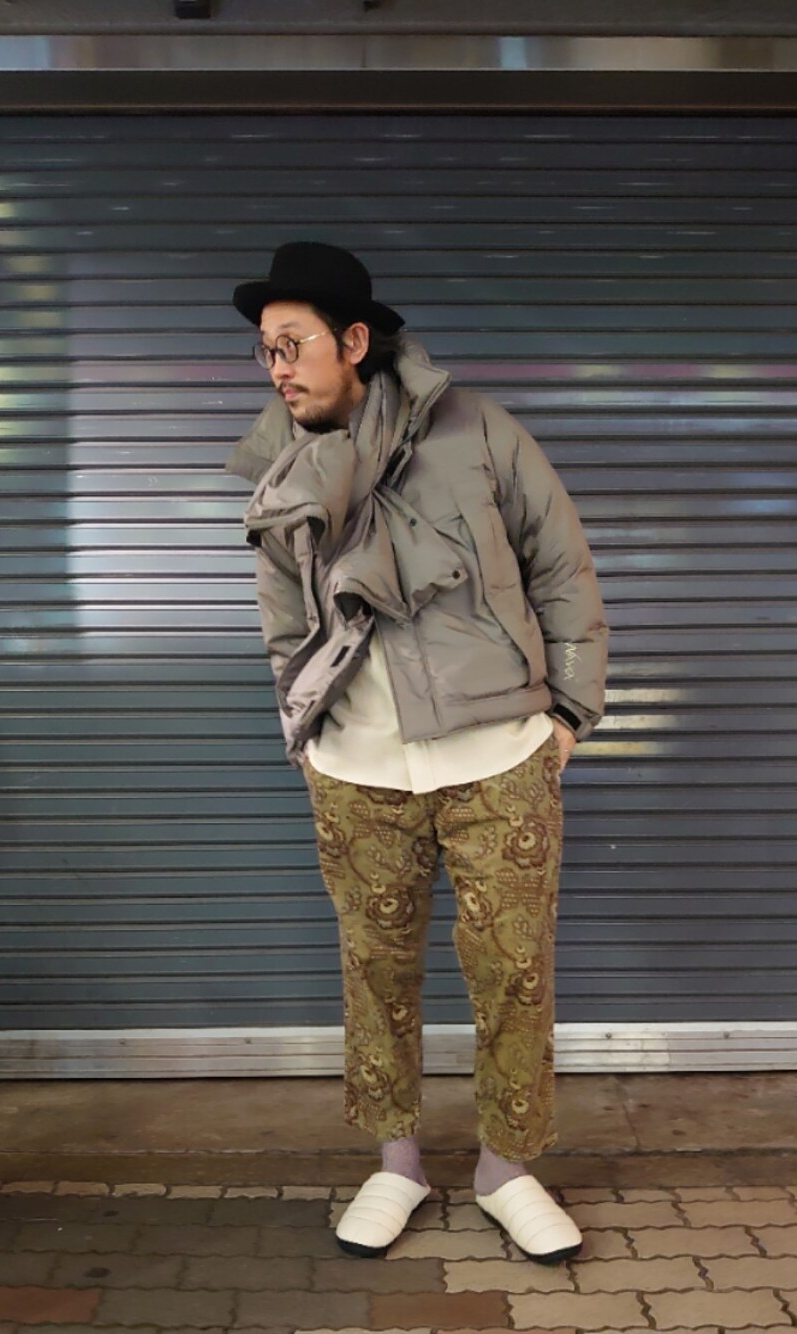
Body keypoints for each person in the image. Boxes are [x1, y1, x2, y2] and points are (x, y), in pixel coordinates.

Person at [227, 241, 608, 1264]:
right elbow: (281, 619)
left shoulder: (476, 429)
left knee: (514, 972)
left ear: (354, 340)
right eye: (266, 350)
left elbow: (561, 565)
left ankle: (505, 1170)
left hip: (498, 757)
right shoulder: (279, 462)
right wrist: (307, 733)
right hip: (357, 772)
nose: (277, 368)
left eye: (294, 344)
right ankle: (396, 1163)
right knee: (375, 972)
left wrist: (569, 713)